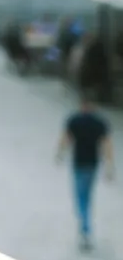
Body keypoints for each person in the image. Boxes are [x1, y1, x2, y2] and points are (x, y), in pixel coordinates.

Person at [55, 93, 115, 251]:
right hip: (92, 165)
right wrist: (109, 165)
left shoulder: (75, 120)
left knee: (80, 197)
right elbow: (106, 144)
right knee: (87, 196)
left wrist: (60, 153)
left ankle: (85, 228)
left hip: (79, 164)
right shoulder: (99, 123)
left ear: (82, 105)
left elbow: (66, 138)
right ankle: (86, 227)